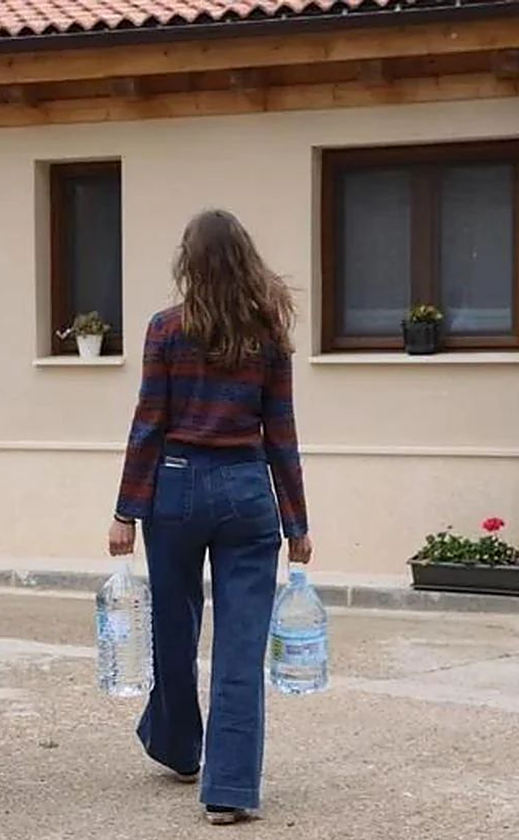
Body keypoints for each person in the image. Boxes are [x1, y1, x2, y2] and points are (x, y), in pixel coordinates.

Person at [108, 209, 312, 826]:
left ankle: (176, 745)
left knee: (174, 625)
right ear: (246, 260)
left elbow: (149, 423)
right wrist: (297, 522)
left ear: (188, 263)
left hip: (175, 488)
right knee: (240, 645)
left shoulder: (164, 329)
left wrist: (125, 511)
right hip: (248, 489)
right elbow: (281, 431)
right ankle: (228, 789)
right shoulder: (268, 334)